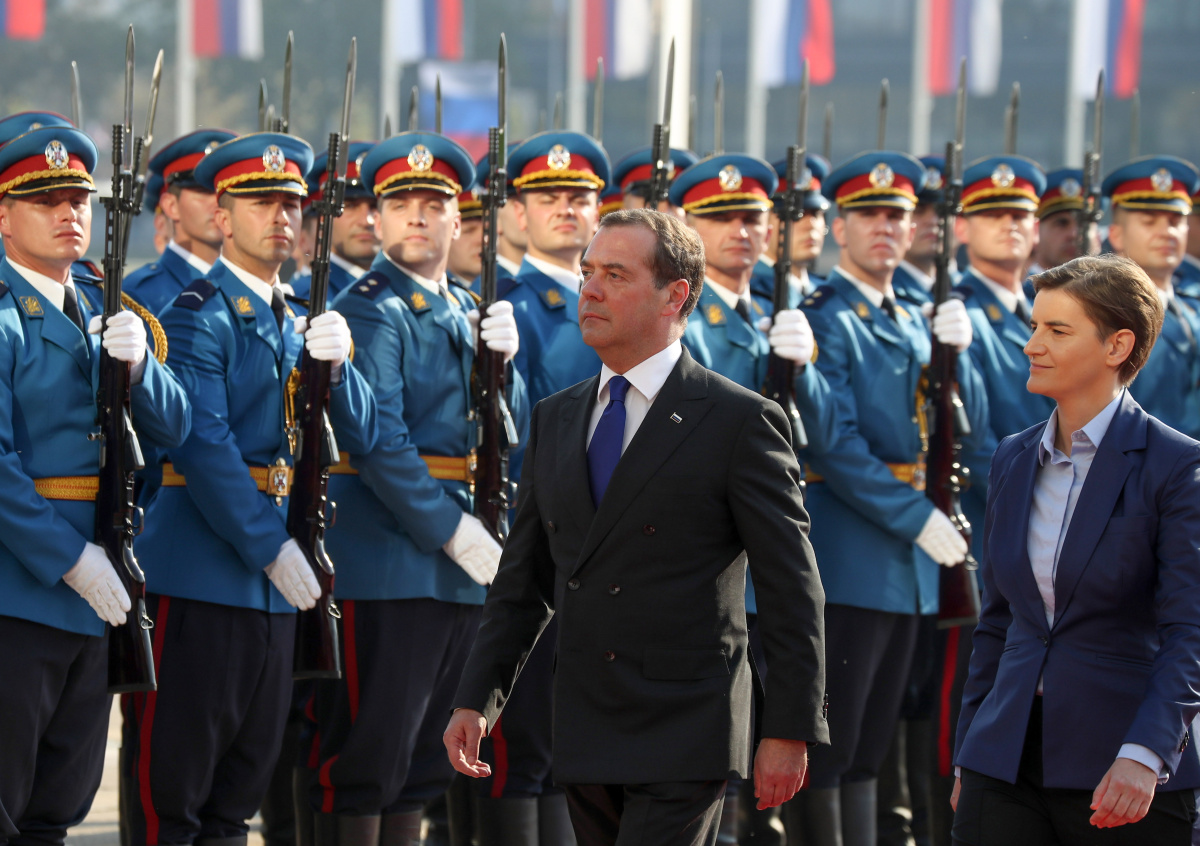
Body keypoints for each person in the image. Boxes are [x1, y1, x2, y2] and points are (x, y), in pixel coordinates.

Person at [445, 207, 828, 846]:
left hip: (687, 722)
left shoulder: (738, 420)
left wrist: (789, 728)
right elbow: (524, 581)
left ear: (674, 295)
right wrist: (477, 698)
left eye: (615, 276)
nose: (590, 291)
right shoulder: (557, 417)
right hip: (587, 717)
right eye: (587, 272)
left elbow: (792, 587)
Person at [121, 132, 377, 846]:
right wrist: (272, 547)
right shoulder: (197, 314)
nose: (281, 218)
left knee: (236, 802)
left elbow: (361, 431)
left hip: (275, 589)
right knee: (174, 799)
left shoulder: (297, 317)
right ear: (223, 216)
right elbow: (203, 446)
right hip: (202, 579)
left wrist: (342, 366)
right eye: (260, 203)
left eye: (291, 205)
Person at [310, 131, 527, 846]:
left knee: (426, 762)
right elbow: (377, 441)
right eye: (400, 204)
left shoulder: (466, 305)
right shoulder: (372, 307)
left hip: (460, 564)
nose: (417, 217)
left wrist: (509, 365)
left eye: (433, 205)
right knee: (370, 755)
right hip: (392, 562)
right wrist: (451, 530)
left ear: (458, 221)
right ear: (376, 219)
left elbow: (515, 430)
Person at [951, 254, 1200, 844]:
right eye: (1034, 326)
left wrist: (1146, 753)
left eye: (1057, 330)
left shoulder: (1176, 466)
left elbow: (1190, 631)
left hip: (1122, 764)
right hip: (1003, 757)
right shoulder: (1013, 457)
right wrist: (970, 750)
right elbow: (998, 622)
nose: (1032, 344)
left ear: (1118, 346)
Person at [0, 124, 191, 846]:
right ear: (3, 216)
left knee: (60, 805)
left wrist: (141, 368)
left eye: (78, 200)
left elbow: (176, 428)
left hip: (101, 584)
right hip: (20, 591)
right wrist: (70, 559)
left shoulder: (107, 308)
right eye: (44, 200)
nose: (68, 213)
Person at [791, 150, 987, 846]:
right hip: (853, 554)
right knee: (834, 741)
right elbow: (834, 445)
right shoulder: (826, 318)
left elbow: (963, 428)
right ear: (840, 228)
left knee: (872, 744)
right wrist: (916, 517)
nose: (885, 228)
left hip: (908, 567)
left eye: (897, 216)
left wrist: (961, 356)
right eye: (868, 215)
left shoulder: (910, 316)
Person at [673, 151, 836, 845]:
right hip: (710, 560)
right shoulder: (688, 321)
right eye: (722, 218)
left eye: (752, 218)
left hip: (771, 560)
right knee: (716, 752)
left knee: (770, 747)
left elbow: (821, 435)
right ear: (688, 228)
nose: (741, 231)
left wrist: (806, 370)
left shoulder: (775, 314)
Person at [467, 130, 611, 845]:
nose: (566, 208)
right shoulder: (508, 307)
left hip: (613, 547)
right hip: (542, 540)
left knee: (578, 747)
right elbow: (508, 434)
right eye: (547, 197)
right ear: (516, 214)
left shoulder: (621, 303)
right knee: (522, 747)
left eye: (579, 197)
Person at [1102, 155, 1200, 439]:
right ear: (1116, 235)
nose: (1166, 232)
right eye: (1149, 221)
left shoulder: (1190, 309)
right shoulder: (1107, 315)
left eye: (1175, 221)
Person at [124, 129, 236, 315]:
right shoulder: (141, 293)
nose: (217, 203)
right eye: (203, 192)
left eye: (224, 192)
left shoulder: (242, 284)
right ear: (171, 206)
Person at [289, 141, 379, 307]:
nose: (367, 221)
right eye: (350, 206)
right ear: (326, 217)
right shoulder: (311, 298)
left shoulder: (393, 290)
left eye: (375, 206)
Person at [750, 152, 831, 314]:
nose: (810, 225)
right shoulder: (750, 289)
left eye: (816, 214)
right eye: (796, 215)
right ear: (767, 221)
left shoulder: (825, 291)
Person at [891, 156, 947, 309]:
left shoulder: (960, 290)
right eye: (918, 210)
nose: (933, 221)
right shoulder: (887, 290)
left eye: (942, 210)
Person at [1026, 168, 1093, 276]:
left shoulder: (1111, 286)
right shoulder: (1020, 286)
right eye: (1061, 223)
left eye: (1082, 224)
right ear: (1036, 230)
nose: (1074, 234)